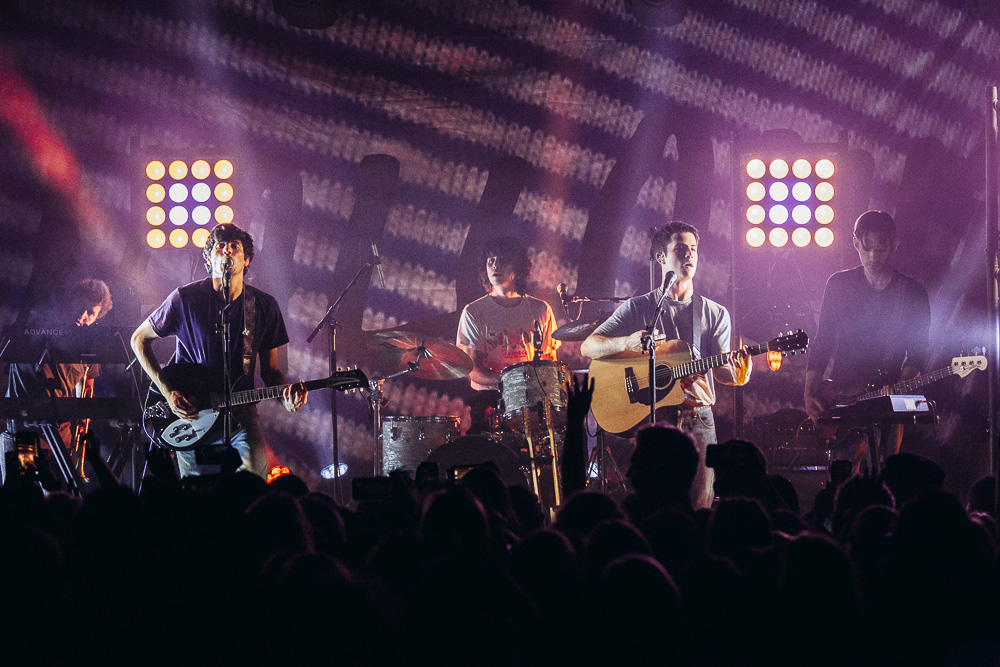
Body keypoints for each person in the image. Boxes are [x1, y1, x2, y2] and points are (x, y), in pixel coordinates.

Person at [581, 221, 752, 509]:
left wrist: (740, 373)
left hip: (698, 417)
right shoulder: (639, 307)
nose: (689, 255)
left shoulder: (715, 313)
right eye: (681, 248)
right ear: (661, 257)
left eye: (694, 250)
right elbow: (589, 346)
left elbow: (724, 373)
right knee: (656, 507)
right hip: (655, 421)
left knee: (699, 507)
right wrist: (628, 342)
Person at [130, 223, 307, 478]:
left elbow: (271, 371)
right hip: (192, 409)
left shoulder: (264, 306)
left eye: (234, 247)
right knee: (195, 492)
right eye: (219, 246)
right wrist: (168, 393)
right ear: (209, 258)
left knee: (254, 481)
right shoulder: (185, 298)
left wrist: (287, 401)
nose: (226, 251)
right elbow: (138, 339)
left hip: (240, 411)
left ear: (246, 260)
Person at [803, 210, 930, 471]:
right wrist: (809, 391)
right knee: (842, 476)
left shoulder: (912, 293)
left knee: (882, 475)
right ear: (855, 243)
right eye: (866, 247)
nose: (872, 256)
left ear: (894, 244)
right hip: (841, 397)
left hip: (886, 399)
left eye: (881, 247)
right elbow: (823, 341)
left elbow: (917, 352)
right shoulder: (838, 284)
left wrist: (901, 385)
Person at [3, 278, 113, 486]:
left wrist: (79, 447)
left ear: (98, 317)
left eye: (91, 312)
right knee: (26, 495)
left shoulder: (89, 347)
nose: (83, 316)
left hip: (61, 440)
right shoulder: (37, 327)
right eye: (81, 306)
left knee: (58, 499)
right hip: (26, 434)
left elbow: (86, 394)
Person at [456, 236, 560, 430]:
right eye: (491, 261)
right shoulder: (473, 312)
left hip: (533, 402)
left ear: (518, 268)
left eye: (502, 260)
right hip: (490, 400)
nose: (495, 265)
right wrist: (513, 382)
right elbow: (473, 371)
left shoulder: (541, 309)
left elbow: (550, 364)